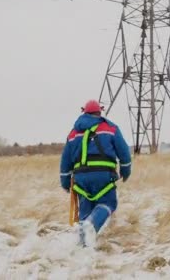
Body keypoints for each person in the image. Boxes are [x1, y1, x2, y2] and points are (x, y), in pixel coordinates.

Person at [60, 99, 132, 247]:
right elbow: (124, 153)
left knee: (85, 211)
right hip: (103, 176)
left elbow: (65, 160)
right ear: (100, 112)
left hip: (80, 179)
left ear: (84, 112)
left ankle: (83, 247)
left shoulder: (73, 133)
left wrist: (65, 182)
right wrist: (126, 170)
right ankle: (92, 225)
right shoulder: (110, 128)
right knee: (107, 203)